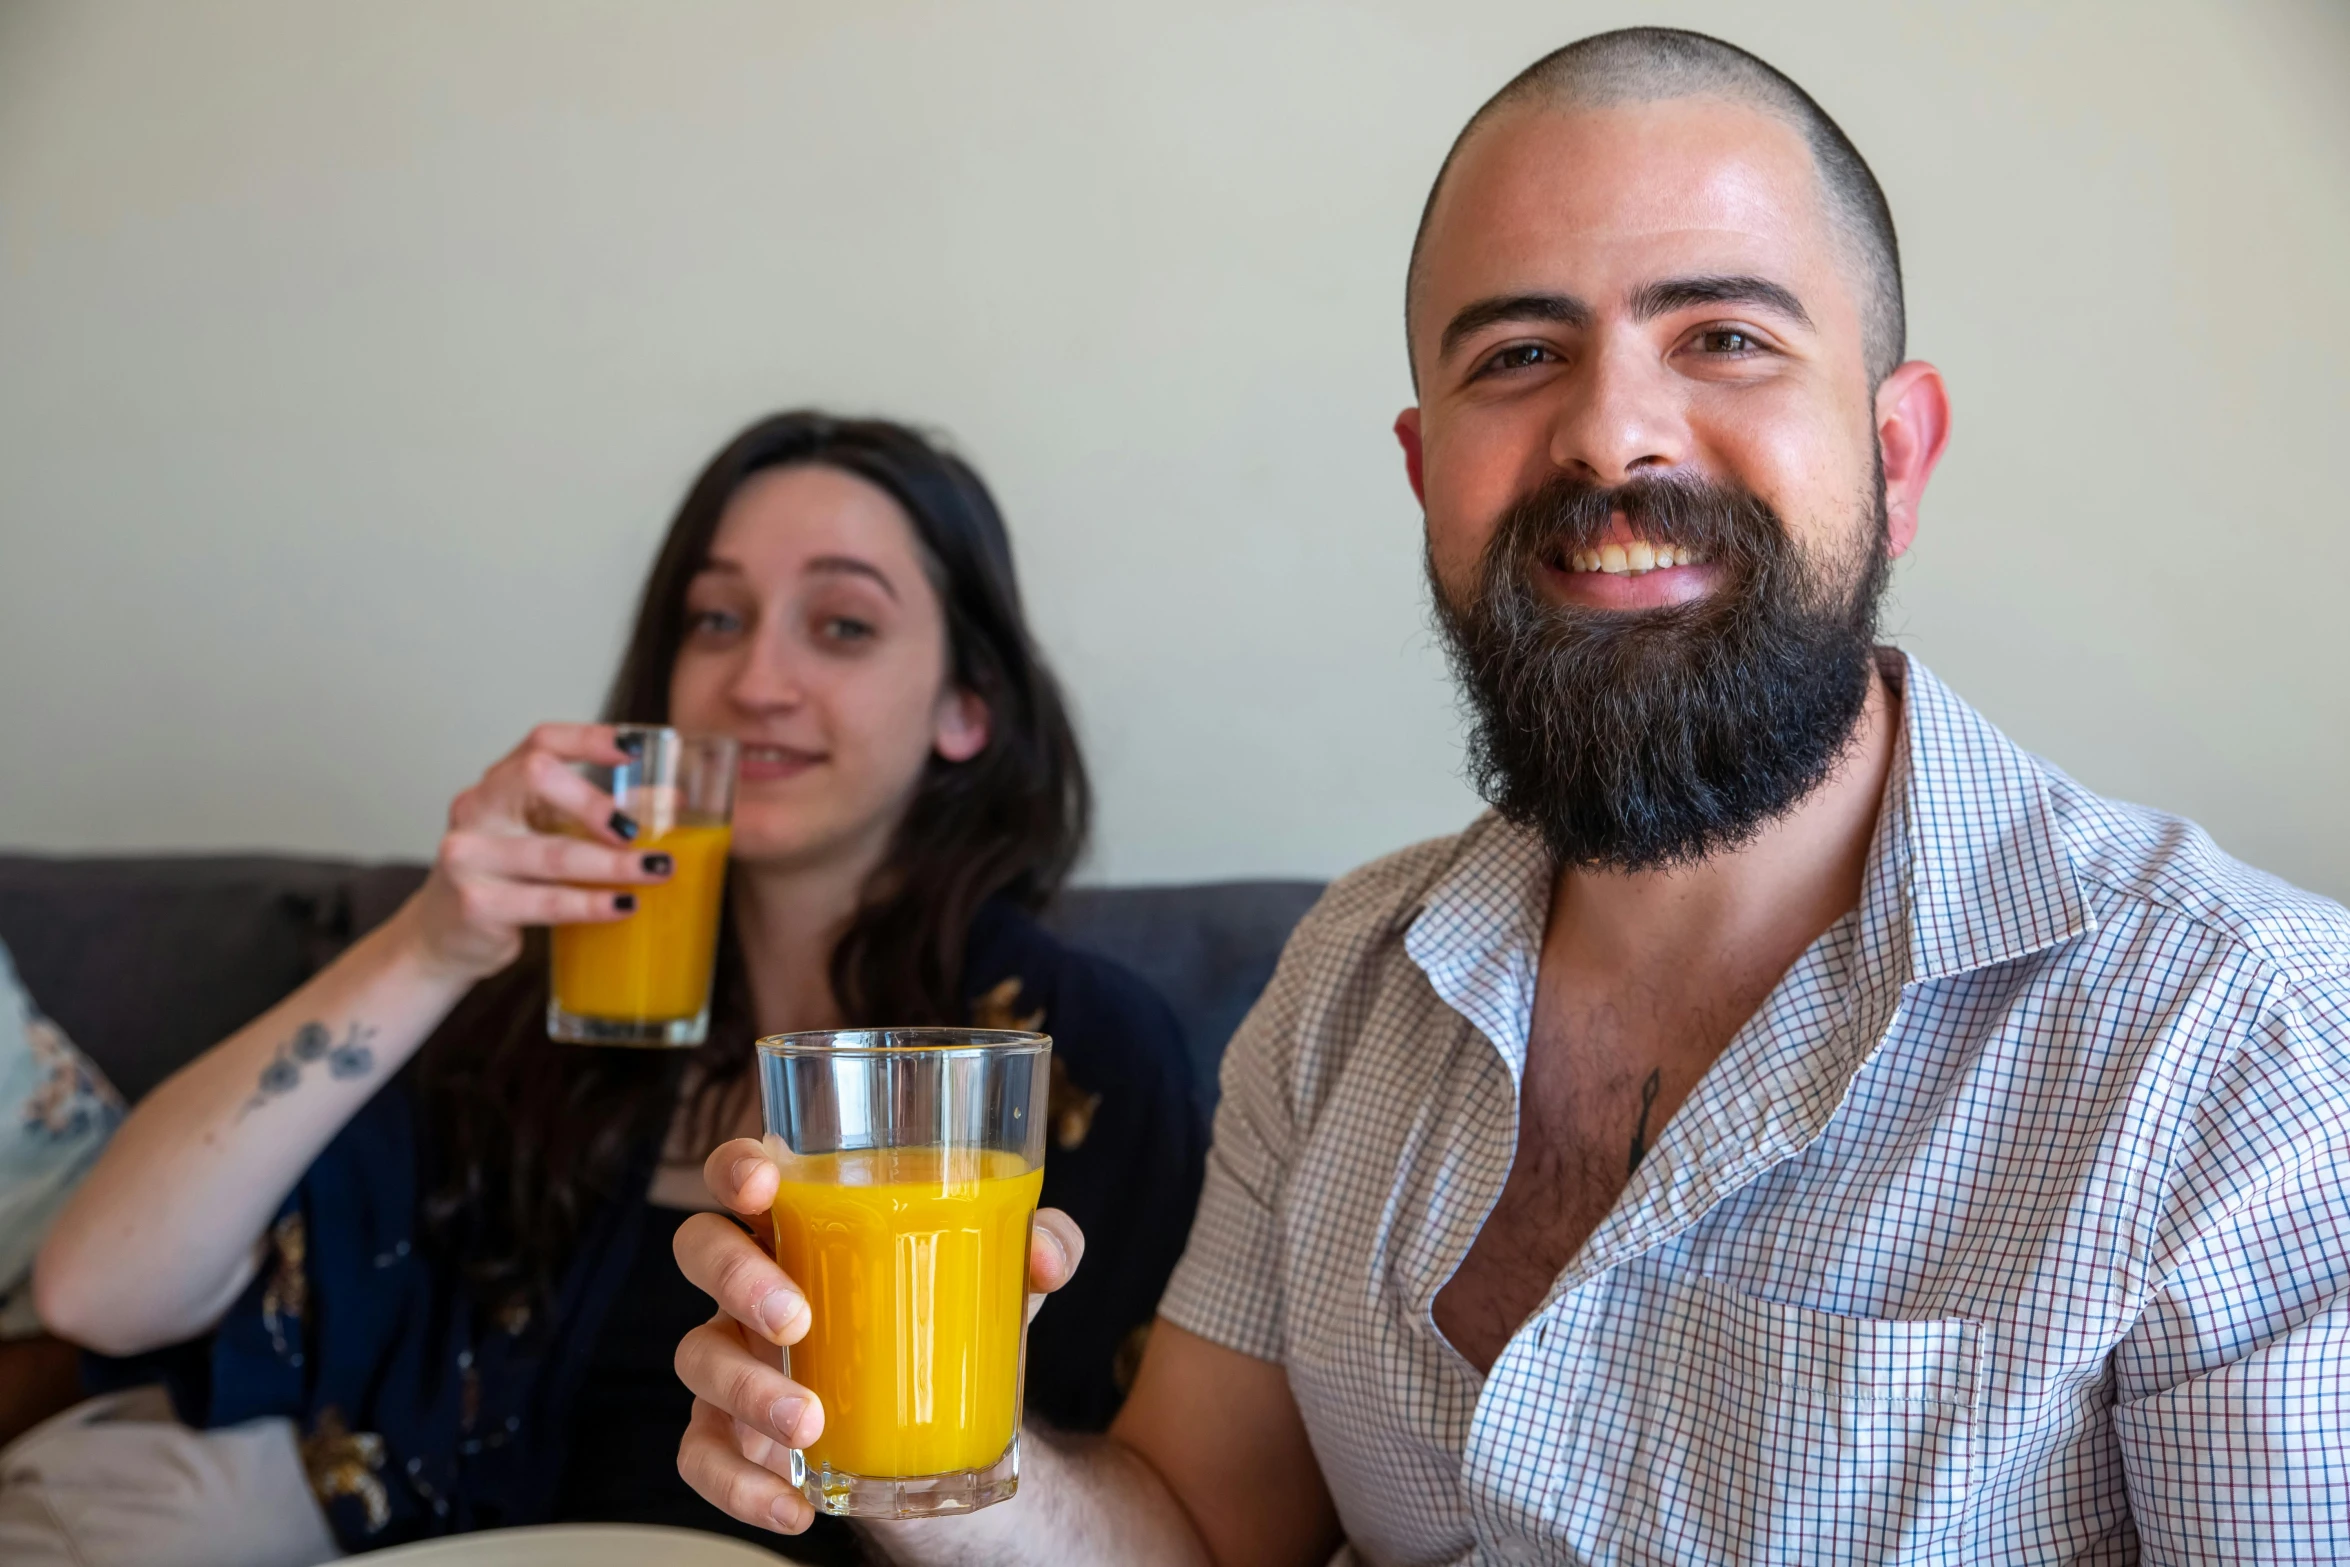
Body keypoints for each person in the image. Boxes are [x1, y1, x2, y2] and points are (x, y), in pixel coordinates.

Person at [671, 28, 2350, 1565]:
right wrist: (916, 1452)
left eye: (1728, 337)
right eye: (1520, 354)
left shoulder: (2246, 1050)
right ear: (1427, 476)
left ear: (1896, 454)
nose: (1613, 437)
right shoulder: (1345, 983)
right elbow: (1190, 1533)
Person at [33, 412, 1205, 1560]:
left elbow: (1147, 1499)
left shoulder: (1069, 1056)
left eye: (842, 626)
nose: (758, 678)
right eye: (714, 618)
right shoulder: (535, 1022)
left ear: (968, 710)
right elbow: (98, 1289)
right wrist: (429, 944)